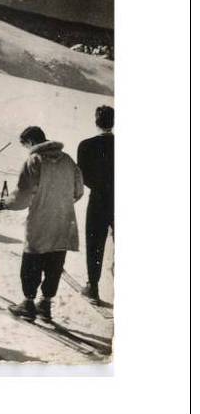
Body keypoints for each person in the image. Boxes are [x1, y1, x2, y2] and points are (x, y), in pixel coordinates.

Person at [0, 126, 83, 322]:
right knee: (55, 259)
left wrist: (4, 203)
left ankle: (28, 303)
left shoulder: (34, 160)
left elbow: (22, 197)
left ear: (31, 142)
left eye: (25, 145)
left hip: (39, 219)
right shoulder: (68, 160)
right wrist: (61, 202)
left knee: (32, 260)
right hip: (63, 219)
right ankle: (45, 304)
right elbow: (78, 190)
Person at [77, 105, 114, 304]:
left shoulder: (86, 145)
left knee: (95, 244)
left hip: (99, 200)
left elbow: (84, 177)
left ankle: (93, 286)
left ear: (96, 121)